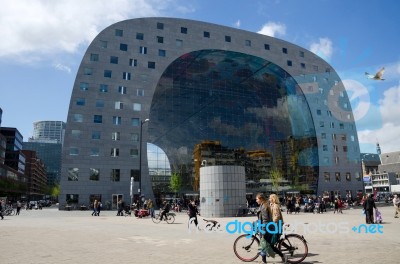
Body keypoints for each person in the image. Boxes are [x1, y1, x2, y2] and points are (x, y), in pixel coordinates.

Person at [256, 193, 286, 264]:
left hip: (267, 228)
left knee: (264, 244)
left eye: (257, 199)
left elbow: (266, 220)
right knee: (269, 245)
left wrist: (263, 230)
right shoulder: (265, 205)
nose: (256, 200)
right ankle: (283, 256)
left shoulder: (264, 207)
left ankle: (264, 261)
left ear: (261, 199)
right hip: (269, 227)